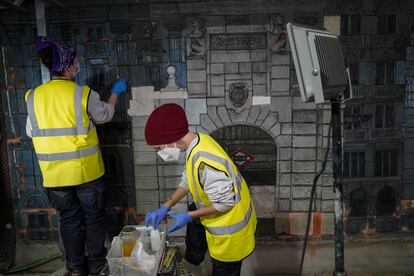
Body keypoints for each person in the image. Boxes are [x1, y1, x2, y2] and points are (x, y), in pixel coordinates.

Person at [25, 36, 127, 276]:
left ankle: (76, 268)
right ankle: (95, 265)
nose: (78, 63)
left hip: (55, 177)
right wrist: (115, 92)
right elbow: (105, 115)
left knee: (69, 220)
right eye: (75, 60)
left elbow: (31, 131)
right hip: (87, 173)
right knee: (93, 219)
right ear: (69, 65)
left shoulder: (33, 97)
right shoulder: (83, 94)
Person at [144, 103, 257, 276]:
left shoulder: (205, 161)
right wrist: (167, 205)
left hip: (231, 233)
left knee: (224, 270)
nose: (159, 152)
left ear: (170, 139)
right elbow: (188, 178)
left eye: (158, 148)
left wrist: (187, 217)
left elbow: (225, 203)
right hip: (222, 213)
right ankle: (194, 266)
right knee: (194, 212)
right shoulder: (198, 142)